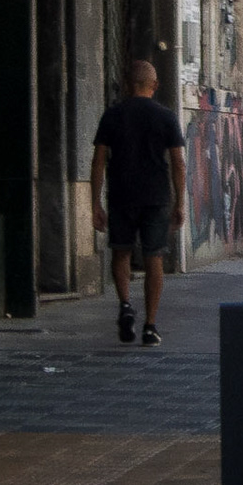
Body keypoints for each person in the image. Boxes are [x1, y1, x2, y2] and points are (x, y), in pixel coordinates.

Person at [91, 60, 186, 346]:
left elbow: (98, 161)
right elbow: (178, 163)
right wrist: (180, 201)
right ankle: (150, 325)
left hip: (121, 196)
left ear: (127, 83)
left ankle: (124, 305)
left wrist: (95, 202)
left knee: (120, 253)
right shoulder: (166, 117)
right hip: (156, 198)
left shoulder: (112, 115)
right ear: (154, 85)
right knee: (153, 258)